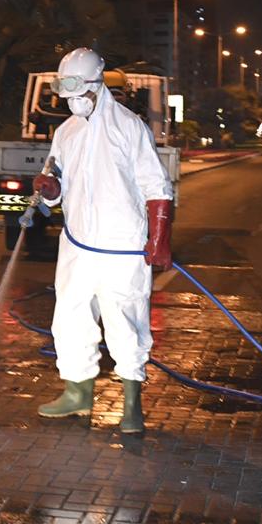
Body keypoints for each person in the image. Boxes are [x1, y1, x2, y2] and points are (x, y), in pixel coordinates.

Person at [33, 48, 173, 434]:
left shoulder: (129, 127)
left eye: (78, 91)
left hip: (121, 248)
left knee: (126, 323)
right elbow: (57, 188)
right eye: (66, 93)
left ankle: (131, 406)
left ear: (97, 84)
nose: (72, 101)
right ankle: (77, 394)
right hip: (77, 246)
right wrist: (48, 189)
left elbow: (156, 186)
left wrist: (159, 239)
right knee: (70, 320)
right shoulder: (66, 132)